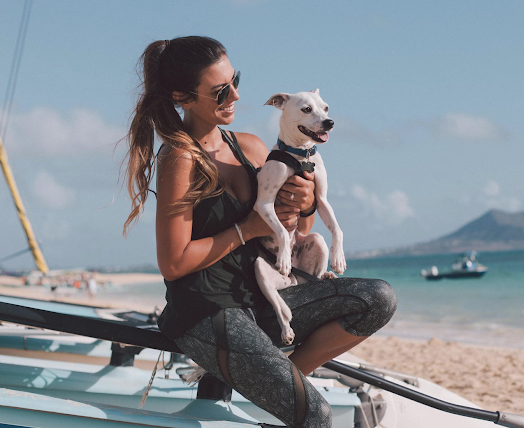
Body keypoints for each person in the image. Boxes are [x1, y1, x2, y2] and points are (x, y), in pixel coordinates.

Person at [123, 36, 396, 428]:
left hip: (260, 302)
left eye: (235, 80)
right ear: (183, 98)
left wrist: (303, 206)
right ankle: (280, 388)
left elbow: (294, 231)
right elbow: (173, 263)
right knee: (317, 414)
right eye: (220, 91)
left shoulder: (250, 148)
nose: (234, 94)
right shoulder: (181, 159)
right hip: (206, 312)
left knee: (378, 298)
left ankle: (282, 380)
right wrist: (245, 228)